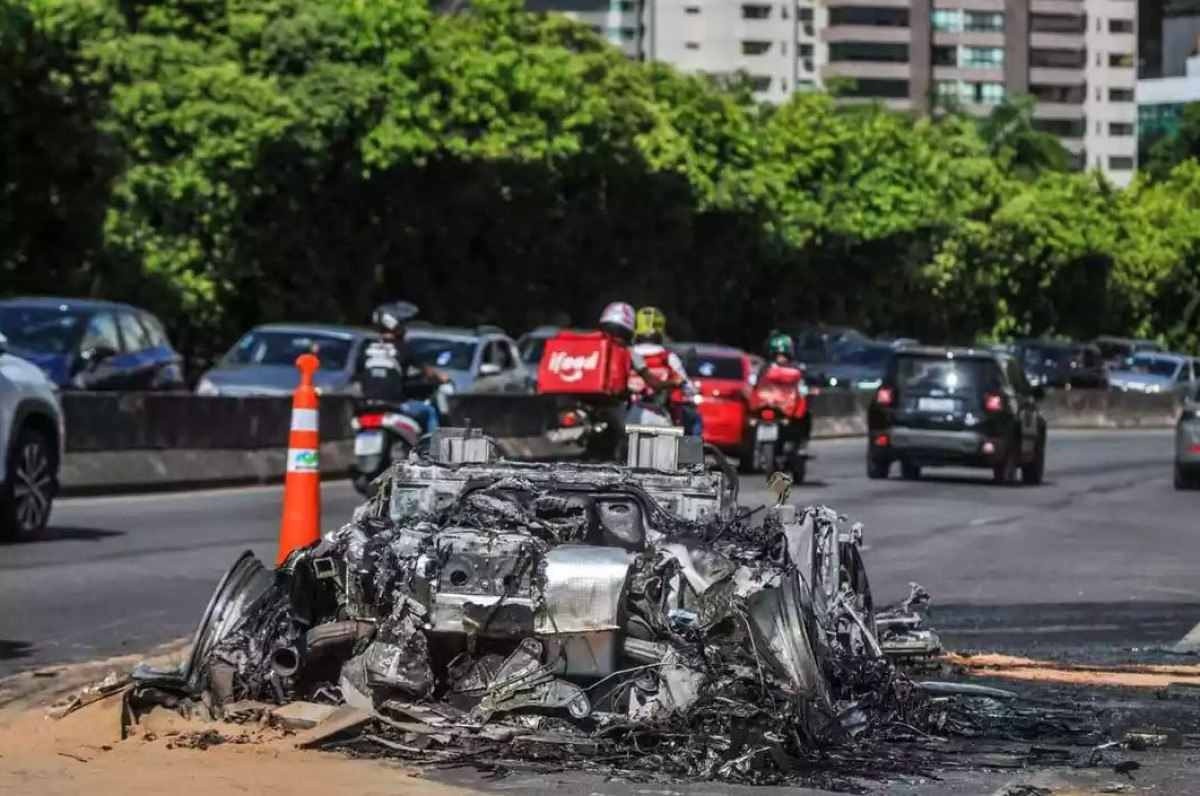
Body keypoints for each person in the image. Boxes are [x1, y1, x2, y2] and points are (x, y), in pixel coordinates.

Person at [362, 301, 449, 436]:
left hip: (367, 405)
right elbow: (427, 371)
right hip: (394, 404)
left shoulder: (366, 348)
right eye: (402, 324)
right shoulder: (402, 348)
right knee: (429, 412)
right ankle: (433, 453)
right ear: (394, 325)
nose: (404, 329)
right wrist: (441, 377)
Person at [629, 306, 703, 437]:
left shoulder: (628, 354)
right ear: (661, 330)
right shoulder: (668, 357)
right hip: (660, 416)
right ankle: (688, 457)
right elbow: (688, 388)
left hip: (627, 415)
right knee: (695, 419)